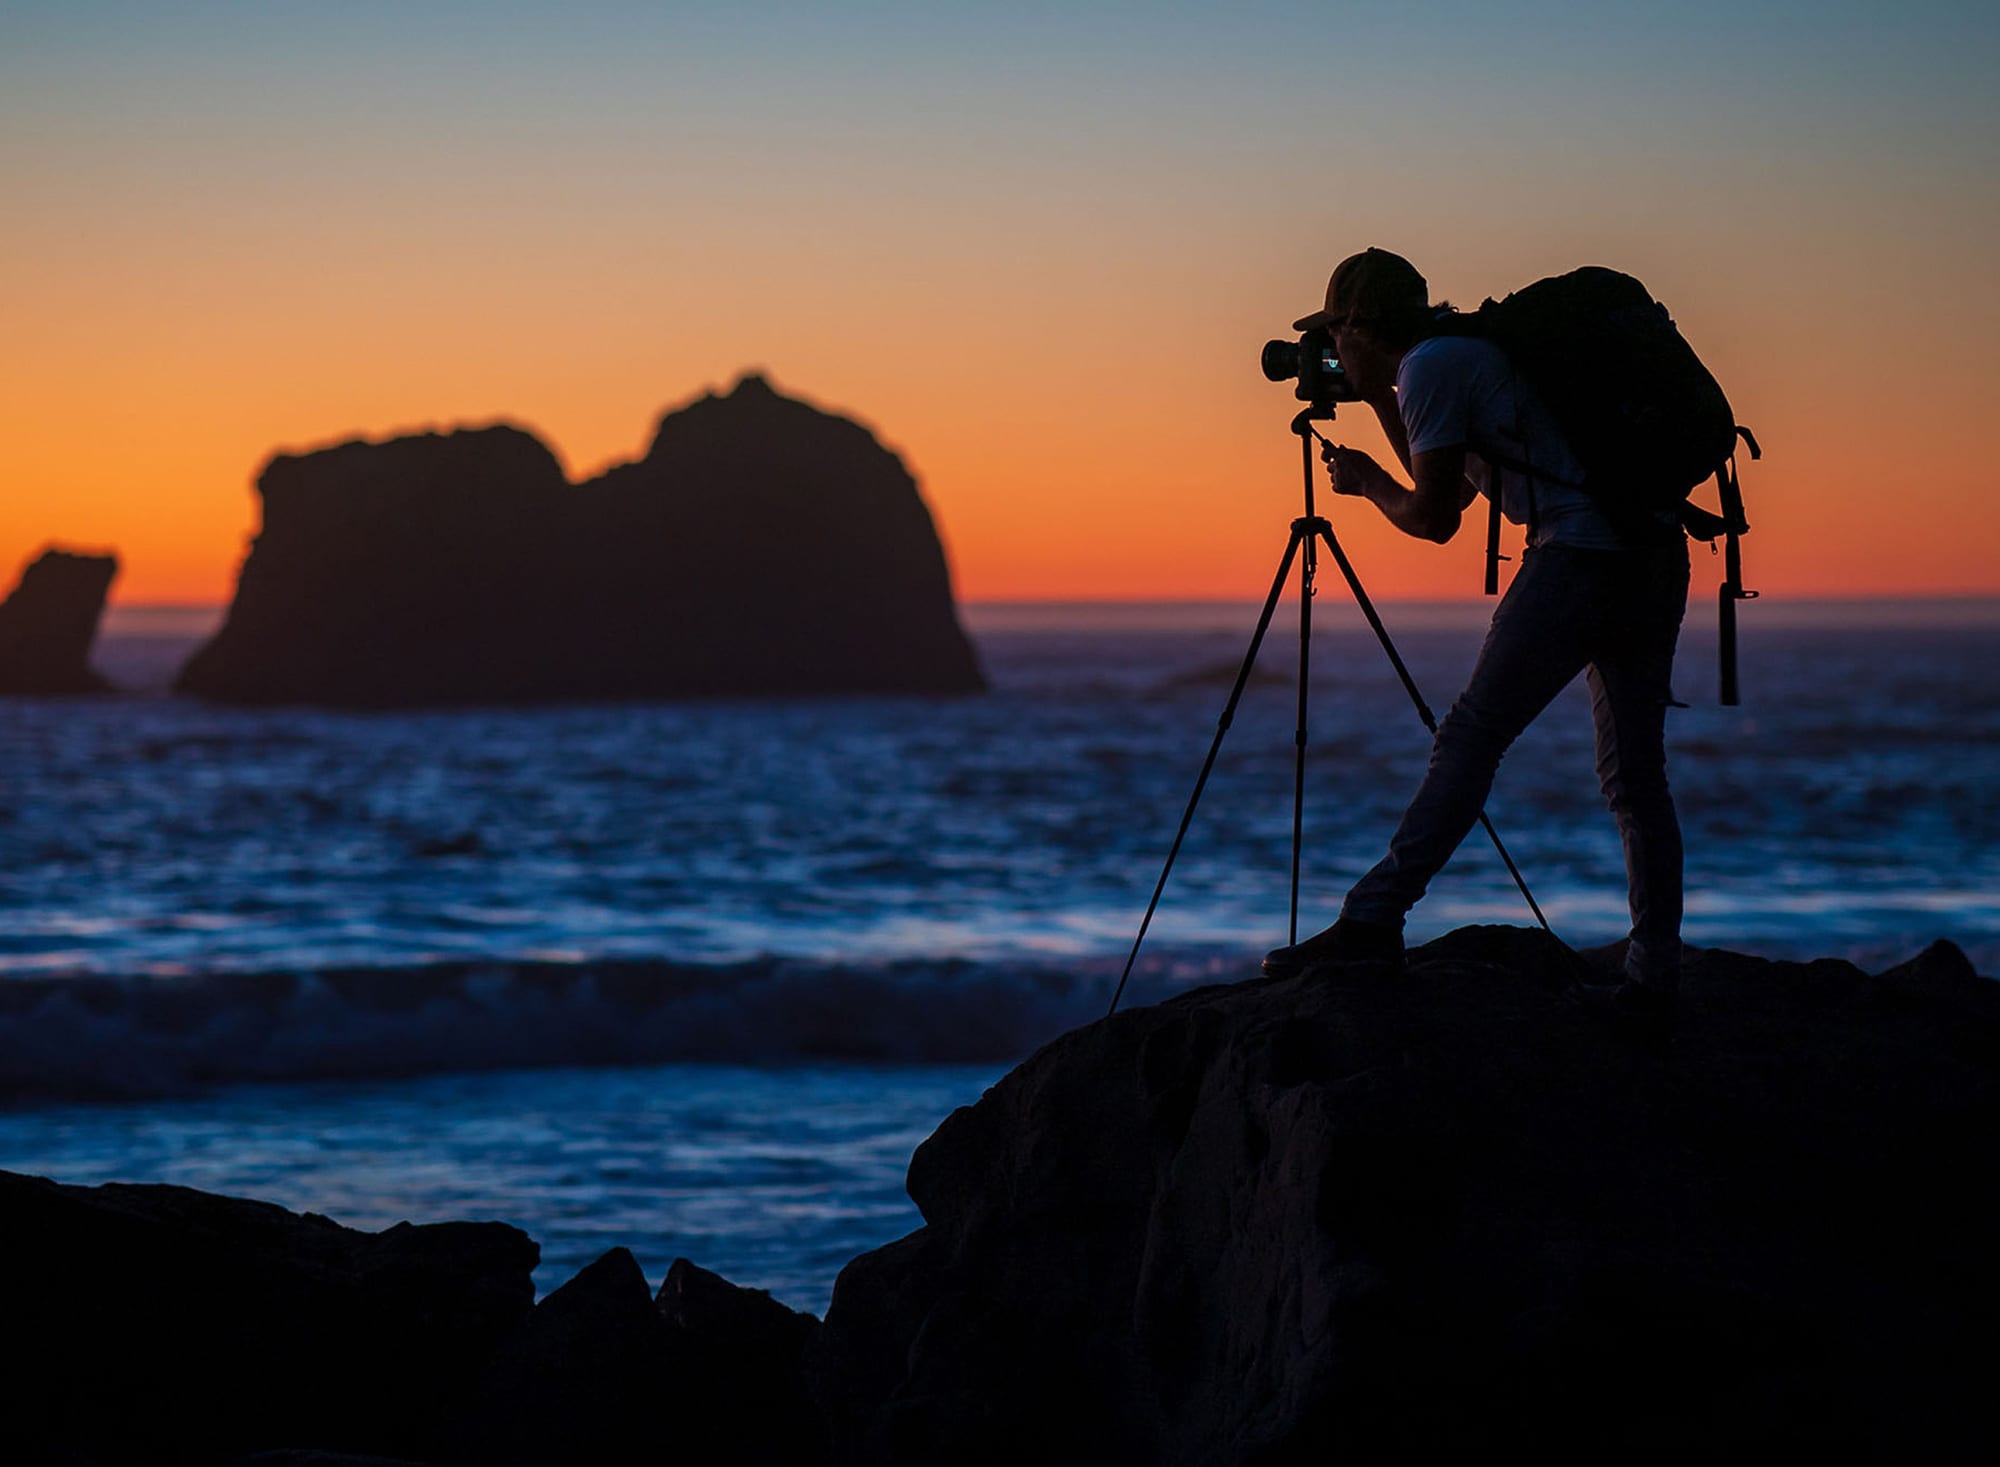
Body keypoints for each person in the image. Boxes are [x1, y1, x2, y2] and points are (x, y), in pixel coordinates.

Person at [1261, 248, 1689, 1026]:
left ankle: (1371, 919)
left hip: (1579, 557)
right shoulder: (1455, 355)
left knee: (1470, 735)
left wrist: (1364, 482)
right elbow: (1453, 485)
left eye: (1334, 335)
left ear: (1358, 325)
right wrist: (1380, 404)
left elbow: (1432, 519)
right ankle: (1653, 971)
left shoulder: (1430, 367)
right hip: (1652, 554)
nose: (1330, 351)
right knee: (1635, 773)